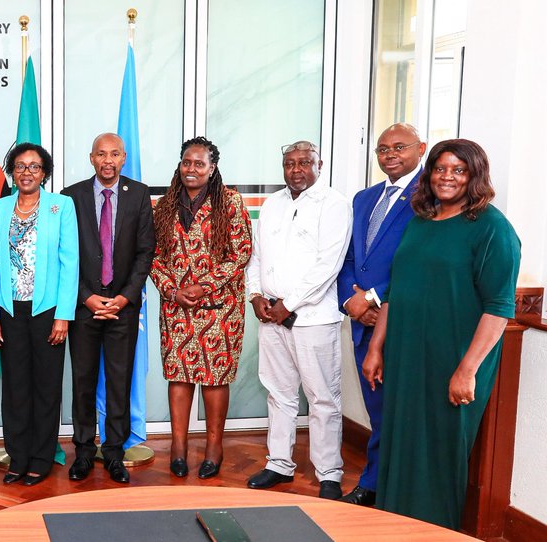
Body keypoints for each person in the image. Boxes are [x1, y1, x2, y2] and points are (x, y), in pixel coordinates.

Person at [362, 139, 520, 529]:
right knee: (401, 445)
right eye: (440, 168)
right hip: (406, 355)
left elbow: (499, 308)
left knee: (439, 452)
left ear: (475, 176)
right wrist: (377, 348)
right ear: (429, 173)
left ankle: (433, 533)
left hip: (453, 360)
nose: (447, 177)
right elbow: (396, 291)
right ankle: (394, 528)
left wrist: (467, 370)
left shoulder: (492, 228)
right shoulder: (420, 221)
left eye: (458, 170)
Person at [245, 142, 351, 499]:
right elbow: (256, 255)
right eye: (289, 163)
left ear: (320, 164)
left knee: (322, 397)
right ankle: (279, 463)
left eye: (304, 162)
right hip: (272, 317)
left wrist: (288, 305)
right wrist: (256, 294)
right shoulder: (273, 203)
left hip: (312, 319)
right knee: (278, 393)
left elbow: (328, 266)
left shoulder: (334, 204)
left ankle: (329, 472)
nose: (296, 169)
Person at [335, 123, 425, 506]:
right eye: (382, 149)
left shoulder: (431, 198)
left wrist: (373, 298)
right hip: (362, 325)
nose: (390, 154)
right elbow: (349, 259)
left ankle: (378, 487)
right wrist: (350, 303)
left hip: (403, 323)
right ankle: (375, 483)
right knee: (378, 411)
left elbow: (419, 263)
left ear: (421, 149)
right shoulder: (363, 198)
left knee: (398, 414)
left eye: (399, 147)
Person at [150, 136, 251, 479]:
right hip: (177, 306)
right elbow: (152, 257)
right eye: (186, 162)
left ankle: (213, 448)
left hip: (220, 307)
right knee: (178, 376)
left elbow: (241, 253)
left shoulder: (231, 203)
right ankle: (178, 447)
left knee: (214, 377)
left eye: (199, 163)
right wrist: (172, 290)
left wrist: (203, 286)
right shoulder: (163, 205)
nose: (191, 169)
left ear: (212, 168)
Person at [60, 133, 155, 484]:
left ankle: (114, 452)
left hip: (123, 307)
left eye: (114, 154)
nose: (108, 160)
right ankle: (84, 452)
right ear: (91, 158)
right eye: (101, 154)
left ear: (124, 157)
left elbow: (146, 251)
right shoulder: (71, 197)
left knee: (119, 382)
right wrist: (86, 297)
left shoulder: (140, 194)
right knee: (83, 382)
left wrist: (125, 297)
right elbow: (65, 254)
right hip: (83, 306)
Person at [0, 142, 79, 486]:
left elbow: (71, 263)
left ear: (44, 173)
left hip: (48, 310)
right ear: (12, 171)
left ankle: (40, 458)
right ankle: (18, 457)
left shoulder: (61, 207)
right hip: (9, 311)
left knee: (46, 386)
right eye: (21, 166)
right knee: (16, 387)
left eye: (34, 167)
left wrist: (63, 315)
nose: (27, 172)